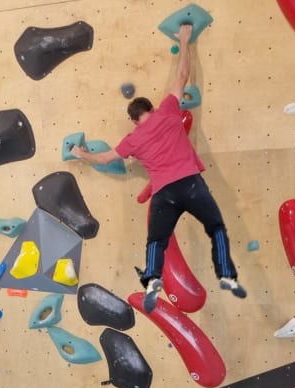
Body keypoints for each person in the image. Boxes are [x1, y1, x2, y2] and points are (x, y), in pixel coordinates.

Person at [71, 23, 246, 312]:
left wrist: (81, 154)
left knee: (156, 241)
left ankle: (152, 279)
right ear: (151, 109)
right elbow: (182, 75)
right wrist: (185, 40)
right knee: (215, 227)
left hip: (164, 193)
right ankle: (226, 274)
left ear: (133, 120)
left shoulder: (132, 139)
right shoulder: (167, 110)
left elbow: (105, 159)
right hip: (190, 184)